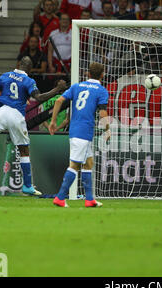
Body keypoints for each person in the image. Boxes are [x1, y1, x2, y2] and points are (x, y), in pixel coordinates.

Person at [0, 56, 67, 196]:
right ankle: (27, 186)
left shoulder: (5, 76)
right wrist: (57, 89)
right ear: (29, 68)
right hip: (16, 116)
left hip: (2, 112)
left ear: (18, 65)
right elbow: (39, 97)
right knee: (24, 151)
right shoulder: (29, 80)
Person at [48, 62, 110, 208]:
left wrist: (53, 121)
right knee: (75, 165)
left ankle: (89, 200)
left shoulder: (76, 86)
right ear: (102, 74)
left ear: (88, 74)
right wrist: (107, 129)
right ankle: (60, 197)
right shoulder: (101, 90)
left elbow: (58, 101)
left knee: (88, 163)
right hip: (83, 132)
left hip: (76, 130)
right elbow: (102, 113)